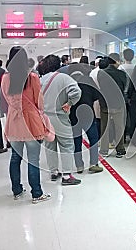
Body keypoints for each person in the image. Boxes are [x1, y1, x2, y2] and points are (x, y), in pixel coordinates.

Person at [1, 46, 51, 204]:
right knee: (33, 159)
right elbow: (39, 101)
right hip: (31, 121)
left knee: (15, 158)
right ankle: (36, 193)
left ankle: (16, 190)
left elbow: (6, 98)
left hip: (14, 121)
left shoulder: (5, 78)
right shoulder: (32, 77)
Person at [39, 55, 82, 185]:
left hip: (45, 117)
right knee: (67, 145)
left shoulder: (40, 80)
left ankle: (53, 171)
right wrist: (69, 103)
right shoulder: (64, 78)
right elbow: (76, 92)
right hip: (60, 116)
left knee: (49, 145)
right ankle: (67, 176)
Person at [68, 63, 103, 174]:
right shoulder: (88, 79)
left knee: (76, 140)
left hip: (73, 114)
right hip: (88, 113)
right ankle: (93, 163)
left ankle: (79, 166)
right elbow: (97, 95)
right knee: (93, 138)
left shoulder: (68, 81)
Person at [97, 53, 127, 158]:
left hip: (105, 104)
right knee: (119, 127)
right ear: (117, 61)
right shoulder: (122, 74)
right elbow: (124, 87)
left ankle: (104, 150)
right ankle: (120, 149)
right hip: (118, 104)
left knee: (105, 127)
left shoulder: (101, 73)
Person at [119, 48, 135, 143]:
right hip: (133, 94)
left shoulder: (121, 68)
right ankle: (132, 135)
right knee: (133, 116)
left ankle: (123, 137)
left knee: (123, 117)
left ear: (124, 56)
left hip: (123, 93)